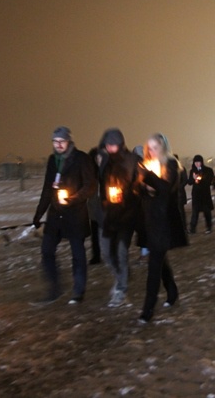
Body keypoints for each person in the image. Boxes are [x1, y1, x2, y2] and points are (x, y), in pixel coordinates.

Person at [32, 126, 97, 304]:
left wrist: (74, 198)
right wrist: (39, 213)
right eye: (55, 141)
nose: (58, 145)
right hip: (55, 215)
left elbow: (90, 186)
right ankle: (54, 288)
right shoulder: (53, 160)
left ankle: (78, 291)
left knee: (77, 253)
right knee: (47, 250)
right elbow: (47, 188)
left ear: (69, 141)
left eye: (62, 141)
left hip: (75, 214)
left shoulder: (81, 158)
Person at [137, 133, 188, 323]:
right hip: (149, 220)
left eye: (155, 147)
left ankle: (147, 309)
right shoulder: (147, 165)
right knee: (158, 258)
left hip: (164, 222)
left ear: (164, 147)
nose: (152, 151)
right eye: (149, 148)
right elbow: (139, 188)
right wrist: (146, 186)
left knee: (154, 264)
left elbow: (166, 190)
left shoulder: (171, 164)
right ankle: (172, 290)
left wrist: (148, 179)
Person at [97, 128, 140, 307]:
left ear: (121, 145)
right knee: (107, 252)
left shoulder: (132, 161)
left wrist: (129, 194)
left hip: (126, 214)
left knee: (122, 251)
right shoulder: (103, 160)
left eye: (113, 145)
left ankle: (121, 289)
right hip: (107, 214)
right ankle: (122, 274)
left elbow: (141, 184)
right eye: (108, 145)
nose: (110, 148)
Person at [187, 155, 214, 234]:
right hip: (196, 194)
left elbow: (210, 181)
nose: (197, 164)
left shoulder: (208, 170)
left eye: (199, 162)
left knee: (207, 212)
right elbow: (189, 182)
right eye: (196, 162)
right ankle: (192, 228)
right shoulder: (192, 171)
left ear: (202, 162)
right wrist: (193, 179)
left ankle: (209, 227)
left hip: (205, 194)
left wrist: (202, 179)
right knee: (195, 212)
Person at [86, 147, 102, 265]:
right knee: (95, 234)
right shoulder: (90, 173)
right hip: (94, 206)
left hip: (106, 208)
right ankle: (96, 255)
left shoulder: (107, 170)